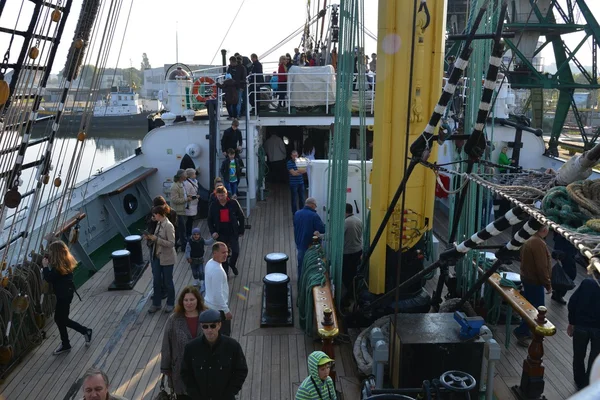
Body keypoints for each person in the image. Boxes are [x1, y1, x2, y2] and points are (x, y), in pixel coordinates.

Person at [180, 309, 248, 400]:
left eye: (213, 326)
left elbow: (241, 370)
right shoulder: (191, 348)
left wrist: (231, 392)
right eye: (205, 326)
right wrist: (194, 393)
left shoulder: (232, 346)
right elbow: (185, 372)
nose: (209, 330)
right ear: (201, 326)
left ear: (219, 325)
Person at [42, 241, 92, 355]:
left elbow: (49, 278)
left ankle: (84, 331)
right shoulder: (63, 263)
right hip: (65, 295)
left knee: (62, 319)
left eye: (50, 251)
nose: (48, 253)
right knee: (59, 319)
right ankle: (66, 343)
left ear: (55, 253)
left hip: (63, 297)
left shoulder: (58, 268)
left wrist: (45, 267)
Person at [160, 286, 207, 399]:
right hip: (180, 370)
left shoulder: (206, 317)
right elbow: (166, 344)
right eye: (186, 300)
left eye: (192, 300)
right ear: (182, 301)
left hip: (204, 369)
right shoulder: (174, 319)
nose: (189, 303)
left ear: (198, 300)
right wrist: (165, 368)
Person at [513, 226, 552, 346]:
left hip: (528, 278)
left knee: (531, 306)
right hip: (534, 281)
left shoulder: (530, 239)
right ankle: (522, 331)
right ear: (545, 230)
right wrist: (547, 284)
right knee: (536, 309)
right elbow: (541, 267)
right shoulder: (538, 243)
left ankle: (527, 329)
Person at [568, 271, 600, 390]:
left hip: (581, 326)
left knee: (578, 355)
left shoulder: (587, 283)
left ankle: (579, 380)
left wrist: (572, 322)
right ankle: (588, 383)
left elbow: (572, 303)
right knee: (595, 357)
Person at [145, 205, 177, 314]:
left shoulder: (169, 226)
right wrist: (150, 238)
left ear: (159, 214)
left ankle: (170, 303)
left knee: (168, 282)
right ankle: (156, 304)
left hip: (167, 258)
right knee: (156, 281)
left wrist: (157, 239)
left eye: (154, 215)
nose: (153, 217)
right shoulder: (158, 223)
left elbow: (172, 243)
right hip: (157, 257)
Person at [207, 186, 245, 276]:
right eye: (219, 196)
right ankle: (225, 273)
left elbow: (241, 216)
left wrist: (241, 230)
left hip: (232, 232)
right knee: (223, 254)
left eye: (222, 195)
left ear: (226, 194)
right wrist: (213, 232)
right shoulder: (213, 205)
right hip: (221, 233)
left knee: (235, 252)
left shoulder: (233, 203)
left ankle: (232, 264)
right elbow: (209, 220)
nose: (221, 198)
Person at [203, 243, 233, 336]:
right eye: (223, 252)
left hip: (208, 305)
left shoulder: (209, 263)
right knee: (224, 336)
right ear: (215, 253)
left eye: (227, 252)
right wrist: (226, 311)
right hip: (218, 310)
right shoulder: (218, 270)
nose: (226, 255)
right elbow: (217, 294)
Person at [294, 198, 326, 279]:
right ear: (312, 205)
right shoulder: (314, 216)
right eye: (315, 206)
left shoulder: (297, 213)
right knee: (311, 266)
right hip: (310, 245)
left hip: (299, 243)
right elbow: (322, 230)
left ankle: (300, 283)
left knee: (301, 265)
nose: (315, 208)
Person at [343, 203, 363, 305]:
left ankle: (349, 295)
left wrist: (320, 236)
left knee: (346, 276)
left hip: (347, 253)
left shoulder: (345, 223)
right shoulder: (359, 220)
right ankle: (355, 293)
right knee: (355, 273)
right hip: (358, 251)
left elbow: (335, 237)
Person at [552, 234, 578, 304]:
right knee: (570, 273)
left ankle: (557, 291)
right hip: (565, 249)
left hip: (567, 248)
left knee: (567, 272)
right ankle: (558, 293)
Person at [170, 169, 189, 251]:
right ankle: (183, 246)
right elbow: (174, 200)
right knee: (181, 229)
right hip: (178, 211)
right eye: (185, 174)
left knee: (179, 229)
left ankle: (176, 244)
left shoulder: (181, 184)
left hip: (182, 210)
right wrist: (186, 200)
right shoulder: (175, 186)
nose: (186, 176)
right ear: (181, 176)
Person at [288, 150, 306, 214]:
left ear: (298, 155)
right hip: (293, 184)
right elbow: (293, 173)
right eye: (293, 155)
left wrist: (297, 171)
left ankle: (302, 212)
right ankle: (294, 213)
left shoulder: (301, 162)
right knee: (294, 199)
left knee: (302, 198)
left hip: (301, 183)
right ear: (291, 156)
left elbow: (304, 171)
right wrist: (300, 171)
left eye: (296, 155)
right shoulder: (289, 163)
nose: (295, 157)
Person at [183, 168, 199, 239]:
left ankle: (188, 234)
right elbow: (186, 194)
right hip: (190, 204)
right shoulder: (187, 184)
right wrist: (195, 196)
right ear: (190, 175)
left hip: (193, 204)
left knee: (191, 220)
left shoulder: (194, 181)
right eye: (194, 174)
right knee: (189, 220)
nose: (195, 175)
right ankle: (188, 234)